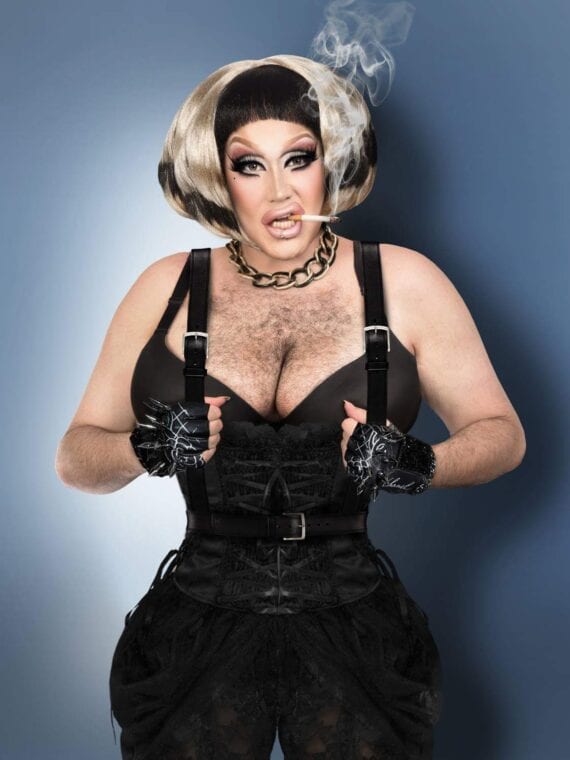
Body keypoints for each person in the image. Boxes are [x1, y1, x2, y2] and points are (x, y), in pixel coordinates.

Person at [55, 56, 526, 760]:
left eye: (298, 158)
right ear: (218, 177)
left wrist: (421, 463)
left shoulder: (403, 281)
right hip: (197, 627)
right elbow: (76, 458)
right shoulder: (167, 286)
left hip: (354, 624)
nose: (280, 191)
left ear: (331, 161)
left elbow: (502, 436)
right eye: (250, 165)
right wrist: (142, 449)